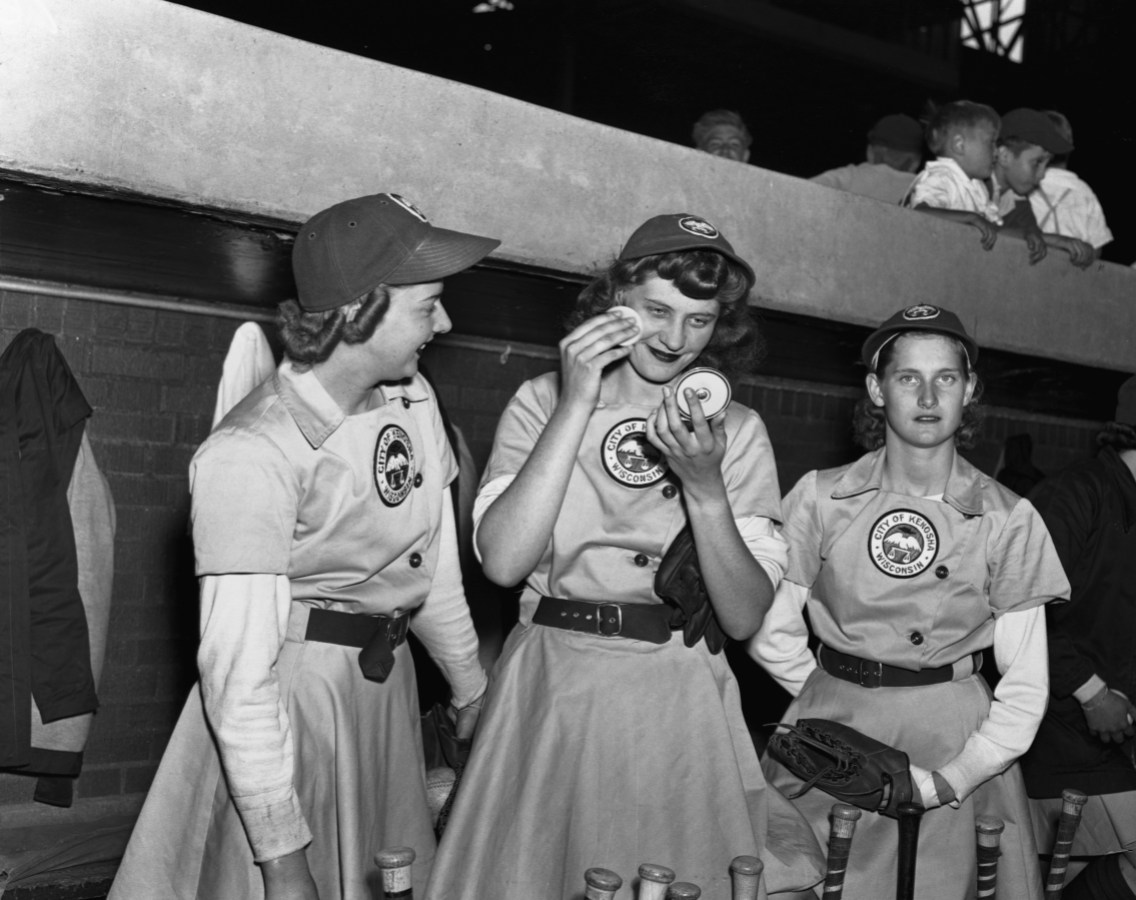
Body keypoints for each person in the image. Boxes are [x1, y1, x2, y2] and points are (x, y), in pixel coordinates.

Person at [109, 193, 498, 900]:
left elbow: (429, 569)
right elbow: (237, 674)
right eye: (428, 305)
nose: (445, 323)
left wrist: (470, 686)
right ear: (360, 309)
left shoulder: (412, 400)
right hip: (290, 709)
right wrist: (283, 860)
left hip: (382, 692)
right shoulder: (249, 453)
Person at [425, 214, 824, 899]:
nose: (675, 340)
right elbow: (502, 562)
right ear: (614, 302)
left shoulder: (740, 430)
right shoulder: (541, 400)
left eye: (700, 321)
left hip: (677, 700)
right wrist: (577, 401)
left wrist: (705, 489)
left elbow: (743, 616)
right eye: (656, 311)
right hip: (553, 688)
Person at [749, 304, 1071, 900]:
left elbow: (1026, 684)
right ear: (876, 389)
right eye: (907, 377)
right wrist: (833, 696)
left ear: (969, 389)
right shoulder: (820, 498)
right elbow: (770, 632)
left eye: (946, 377)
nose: (927, 395)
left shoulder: (1007, 517)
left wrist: (951, 781)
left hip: (952, 743)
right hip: (832, 741)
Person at [1020, 375, 1136, 900]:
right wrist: (1091, 691)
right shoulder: (1075, 494)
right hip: (1062, 723)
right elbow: (1021, 608)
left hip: (1114, 726)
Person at [991, 108, 1095, 268]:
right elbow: (977, 229)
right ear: (1004, 156)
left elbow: (1032, 235)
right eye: (1037, 163)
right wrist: (1056, 240)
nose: (1042, 175)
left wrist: (1067, 243)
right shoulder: (976, 186)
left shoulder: (1018, 201)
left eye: (1046, 164)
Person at [904, 100, 1005, 252]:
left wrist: (1026, 234)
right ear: (959, 145)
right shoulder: (941, 177)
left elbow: (994, 227)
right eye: (991, 143)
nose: (996, 152)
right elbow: (921, 213)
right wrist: (970, 217)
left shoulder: (978, 186)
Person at [1028, 110, 1113, 257]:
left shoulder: (1024, 182)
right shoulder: (1084, 191)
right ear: (1070, 147)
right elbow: (1097, 246)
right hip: (1071, 274)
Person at [811, 113, 923, 204]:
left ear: (870, 152)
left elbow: (798, 196)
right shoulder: (924, 192)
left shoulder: (846, 178)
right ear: (915, 163)